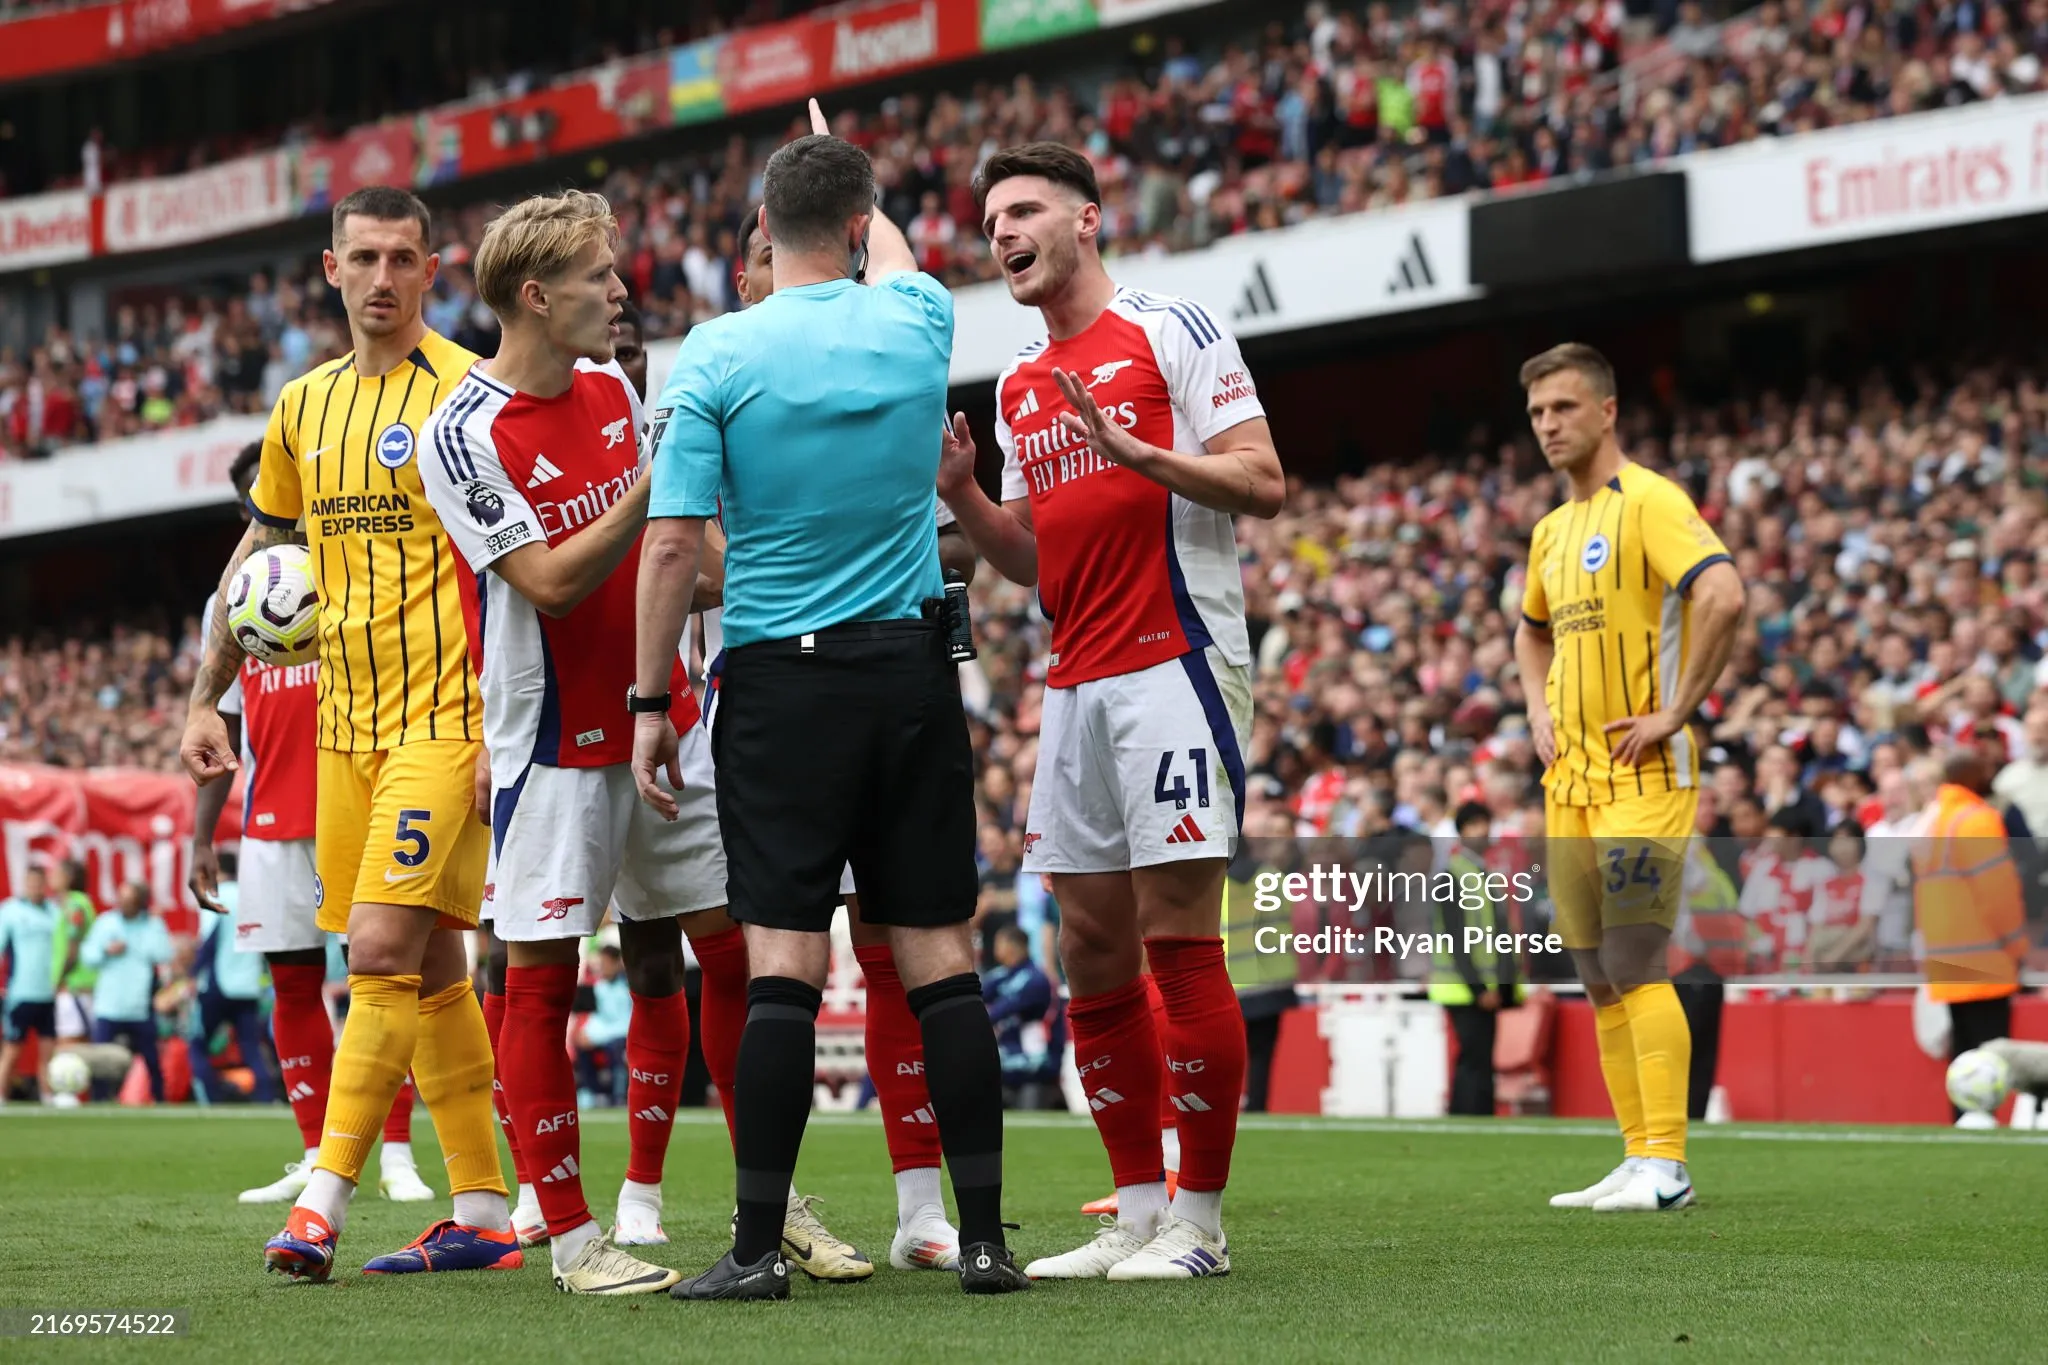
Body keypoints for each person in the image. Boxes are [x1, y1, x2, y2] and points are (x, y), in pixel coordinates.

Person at [420, 188, 857, 1294]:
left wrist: (801, 564)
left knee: (735, 952)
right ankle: (571, 1242)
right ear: (535, 294)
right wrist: (649, 487)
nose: (621, 294)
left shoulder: (614, 386)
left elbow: (681, 555)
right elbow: (556, 584)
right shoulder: (460, 432)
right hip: (552, 749)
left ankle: (774, 1204)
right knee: (542, 982)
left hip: (665, 726)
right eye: (600, 278)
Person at [634, 102, 1026, 1299]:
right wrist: (851, 171)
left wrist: (652, 699)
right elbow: (896, 252)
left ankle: (756, 1251)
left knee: (783, 969)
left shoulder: (717, 351)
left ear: (761, 227)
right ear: (857, 228)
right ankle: (984, 1242)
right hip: (908, 671)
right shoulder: (916, 317)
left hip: (778, 683)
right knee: (940, 960)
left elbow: (668, 548)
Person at [937, 141, 1284, 1279]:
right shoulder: (1021, 383)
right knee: (1090, 944)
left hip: (1173, 660)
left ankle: (1201, 1224)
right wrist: (966, 499)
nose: (1003, 234)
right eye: (991, 221)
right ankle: (1136, 1209)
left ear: (1087, 218)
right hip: (1074, 677)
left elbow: (1262, 480)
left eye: (1024, 210)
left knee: (1177, 937)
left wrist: (1145, 455)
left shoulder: (1169, 328)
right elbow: (1030, 566)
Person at [178, 185, 513, 1281]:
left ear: (432, 269)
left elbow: (515, 575)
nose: (381, 277)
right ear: (331, 270)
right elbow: (262, 558)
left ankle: (321, 1202)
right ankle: (483, 1214)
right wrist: (202, 696)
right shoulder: (301, 407)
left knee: (372, 953)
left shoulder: (472, 394)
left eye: (401, 258)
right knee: (431, 971)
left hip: (448, 720)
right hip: (342, 728)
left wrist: (510, 730)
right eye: (361, 257)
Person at [711, 210, 965, 1273]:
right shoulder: (737, 362)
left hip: (823, 671)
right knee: (805, 960)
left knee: (881, 955)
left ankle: (914, 1210)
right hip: (824, 671)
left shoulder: (854, 339)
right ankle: (795, 1216)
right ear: (746, 269)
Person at [1513, 342, 1744, 1212]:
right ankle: (1639, 1154)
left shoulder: (1649, 501)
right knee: (1597, 972)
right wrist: (1537, 709)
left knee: (1635, 958)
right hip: (1569, 778)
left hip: (1643, 771)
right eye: (1537, 413)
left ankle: (1671, 1163)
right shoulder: (1551, 529)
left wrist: (1676, 710)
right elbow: (1530, 630)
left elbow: (1722, 593)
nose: (1548, 426)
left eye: (1564, 408)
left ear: (1607, 411)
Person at [191, 441, 433, 1205]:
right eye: (255, 503)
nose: (273, 512)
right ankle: (312, 1149)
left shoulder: (362, 569)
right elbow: (216, 724)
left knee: (381, 975)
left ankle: (392, 1149)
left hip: (362, 800)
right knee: (292, 985)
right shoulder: (229, 600)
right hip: (269, 818)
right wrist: (203, 837)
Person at [1913, 750, 2029, 1124]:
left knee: (1963, 1057)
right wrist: (2017, 947)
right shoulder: (1977, 819)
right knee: (1990, 1059)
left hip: (1947, 960)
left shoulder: (1931, 821)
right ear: (1973, 774)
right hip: (1985, 959)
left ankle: (1964, 1124)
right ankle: (1981, 1124)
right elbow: (1998, 893)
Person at [1428, 802, 1523, 1117]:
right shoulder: (1453, 876)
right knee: (1473, 1057)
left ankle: (1475, 1117)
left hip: (1478, 987)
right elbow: (1456, 939)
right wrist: (1480, 988)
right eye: (1474, 825)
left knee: (1479, 1058)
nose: (1482, 832)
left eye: (1485, 824)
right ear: (1462, 830)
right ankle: (1468, 1116)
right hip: (1463, 987)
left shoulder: (1481, 874)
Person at [187, 854, 280, 1105]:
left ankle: (211, 1099)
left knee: (197, 1045)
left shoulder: (215, 897)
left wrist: (192, 975)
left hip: (218, 985)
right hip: (247, 986)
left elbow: (210, 941)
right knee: (251, 1047)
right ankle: (267, 1098)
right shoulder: (252, 899)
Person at [79, 882, 175, 1101]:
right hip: (109, 1005)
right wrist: (106, 950)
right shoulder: (106, 922)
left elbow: (164, 953)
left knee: (151, 1059)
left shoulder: (152, 925)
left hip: (139, 1006)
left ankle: (160, 1100)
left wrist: (146, 933)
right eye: (121, 899)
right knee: (101, 1059)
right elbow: (88, 956)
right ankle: (99, 1100)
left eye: (130, 901)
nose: (123, 905)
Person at [0, 864, 61, 1103]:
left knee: (48, 1050)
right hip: (20, 993)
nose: (35, 888)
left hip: (47, 992)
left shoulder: (54, 912)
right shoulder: (10, 911)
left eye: (39, 884)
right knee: (12, 1049)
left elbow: (61, 950)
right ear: (24, 885)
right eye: (31, 884)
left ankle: (48, 1095)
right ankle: (1, 1095)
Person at [983, 923, 1057, 1106]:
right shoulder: (999, 976)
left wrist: (980, 1017)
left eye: (999, 943)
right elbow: (976, 995)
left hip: (1031, 1058)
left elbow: (1000, 1011)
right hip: (1003, 1055)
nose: (995, 948)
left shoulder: (1036, 978)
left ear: (1012, 946)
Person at [574, 944, 633, 1109]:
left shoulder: (626, 988)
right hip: (603, 1033)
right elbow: (598, 1018)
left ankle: (618, 1095)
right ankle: (593, 1092)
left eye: (607, 963)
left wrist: (599, 1036)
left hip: (621, 1034)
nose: (604, 967)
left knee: (615, 1048)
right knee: (581, 1045)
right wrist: (585, 1033)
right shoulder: (597, 987)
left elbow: (625, 1021)